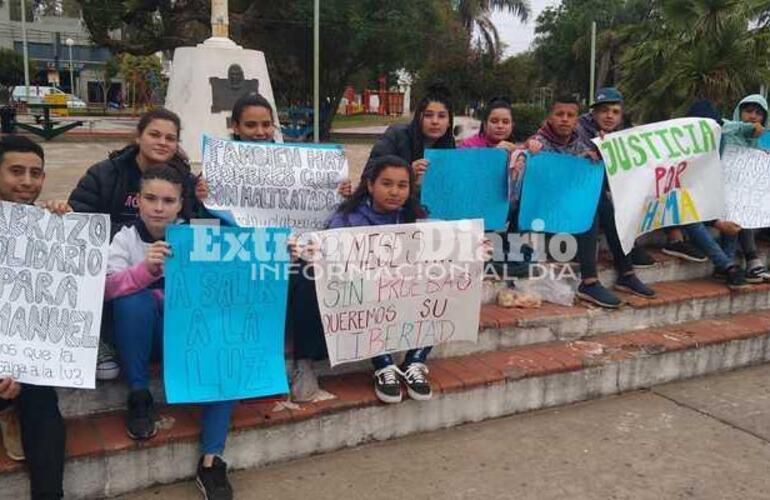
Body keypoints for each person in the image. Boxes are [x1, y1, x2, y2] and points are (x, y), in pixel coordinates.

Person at [105, 165, 234, 500]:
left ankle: (212, 460)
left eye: (168, 200)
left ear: (180, 205)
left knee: (226, 342)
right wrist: (144, 270)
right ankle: (139, 395)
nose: (158, 207)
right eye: (150, 198)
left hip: (188, 337)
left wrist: (284, 250)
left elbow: (231, 276)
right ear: (138, 201)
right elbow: (104, 288)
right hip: (143, 338)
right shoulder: (126, 238)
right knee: (132, 300)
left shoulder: (198, 235)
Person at [68, 108, 204, 382]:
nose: (162, 142)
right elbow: (80, 224)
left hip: (166, 280)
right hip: (116, 260)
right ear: (138, 136)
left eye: (170, 137)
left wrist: (205, 202)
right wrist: (135, 236)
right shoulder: (104, 174)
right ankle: (98, 340)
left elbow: (198, 230)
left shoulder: (187, 182)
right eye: (154, 134)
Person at [528, 95, 655, 308]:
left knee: (604, 205)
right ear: (549, 117)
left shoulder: (580, 143)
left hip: (571, 214)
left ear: (578, 119)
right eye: (559, 114)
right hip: (547, 216)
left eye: (570, 115)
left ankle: (626, 272)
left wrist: (594, 156)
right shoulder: (537, 144)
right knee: (593, 205)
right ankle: (589, 281)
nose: (565, 120)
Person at [327, 155, 434, 403]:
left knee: (441, 291)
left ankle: (415, 362)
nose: (394, 192)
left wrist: (472, 246)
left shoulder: (419, 219)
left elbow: (448, 243)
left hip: (405, 291)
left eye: (402, 185)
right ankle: (383, 365)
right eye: (386, 184)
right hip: (365, 294)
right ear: (370, 185)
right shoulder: (346, 219)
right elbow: (330, 257)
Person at [0, 135, 66, 500]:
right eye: (16, 171)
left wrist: (65, 228)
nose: (27, 181)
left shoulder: (47, 223)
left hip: (24, 350)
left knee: (41, 401)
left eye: (35, 173)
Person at [577, 87, 657, 269]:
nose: (609, 116)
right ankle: (625, 257)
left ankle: (629, 248)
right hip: (585, 191)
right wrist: (599, 148)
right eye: (604, 111)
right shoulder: (579, 130)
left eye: (615, 112)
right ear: (594, 112)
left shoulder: (624, 134)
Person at [718, 94, 770, 282]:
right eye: (748, 111)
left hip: (752, 198)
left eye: (758, 113)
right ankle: (750, 261)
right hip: (723, 194)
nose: (753, 116)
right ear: (739, 112)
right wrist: (747, 128)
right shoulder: (728, 130)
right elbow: (721, 125)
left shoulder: (765, 139)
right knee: (739, 206)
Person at [366, 84, 455, 186]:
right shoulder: (396, 135)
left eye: (442, 116)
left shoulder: (449, 143)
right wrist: (407, 173)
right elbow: (369, 174)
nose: (435, 121)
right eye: (428, 115)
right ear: (418, 118)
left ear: (449, 122)